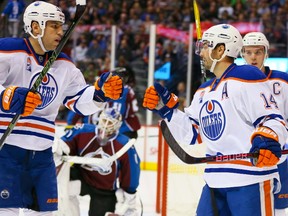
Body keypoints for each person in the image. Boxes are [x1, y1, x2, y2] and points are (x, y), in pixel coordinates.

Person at [143, 23, 288, 216]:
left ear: (221, 49)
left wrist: (267, 139)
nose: (200, 52)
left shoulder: (247, 76)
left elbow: (272, 119)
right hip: (215, 181)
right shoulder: (204, 89)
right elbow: (192, 134)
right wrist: (166, 109)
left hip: (251, 180)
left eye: (205, 46)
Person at [0, 1, 124, 215]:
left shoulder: (65, 65)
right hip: (7, 150)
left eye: (61, 26)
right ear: (36, 27)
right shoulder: (8, 50)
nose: (61, 31)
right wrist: (6, 95)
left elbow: (79, 101)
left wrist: (99, 93)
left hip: (42, 155)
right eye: (54, 26)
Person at [59, 107, 141, 216]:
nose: (106, 125)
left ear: (117, 125)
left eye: (110, 122)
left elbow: (132, 172)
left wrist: (129, 194)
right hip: (82, 178)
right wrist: (59, 149)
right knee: (63, 188)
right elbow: (63, 146)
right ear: (99, 119)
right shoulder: (83, 131)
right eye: (104, 120)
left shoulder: (125, 145)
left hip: (104, 189)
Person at [241, 32, 288, 216]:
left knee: (280, 210)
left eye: (258, 52)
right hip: (248, 159)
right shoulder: (235, 83)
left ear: (266, 53)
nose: (253, 57)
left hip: (280, 156)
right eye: (249, 52)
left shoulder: (283, 81)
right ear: (242, 54)